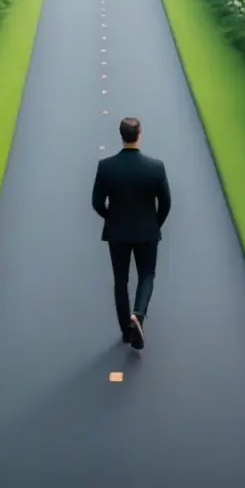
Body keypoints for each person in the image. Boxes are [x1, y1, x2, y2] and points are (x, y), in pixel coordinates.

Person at [91, 117, 171, 351]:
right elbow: (166, 202)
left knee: (120, 280)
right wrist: (155, 224)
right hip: (147, 231)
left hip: (118, 233)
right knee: (147, 276)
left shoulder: (106, 166)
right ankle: (139, 314)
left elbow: (97, 203)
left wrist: (111, 218)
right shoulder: (155, 167)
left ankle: (126, 332)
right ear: (140, 134)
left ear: (121, 135)